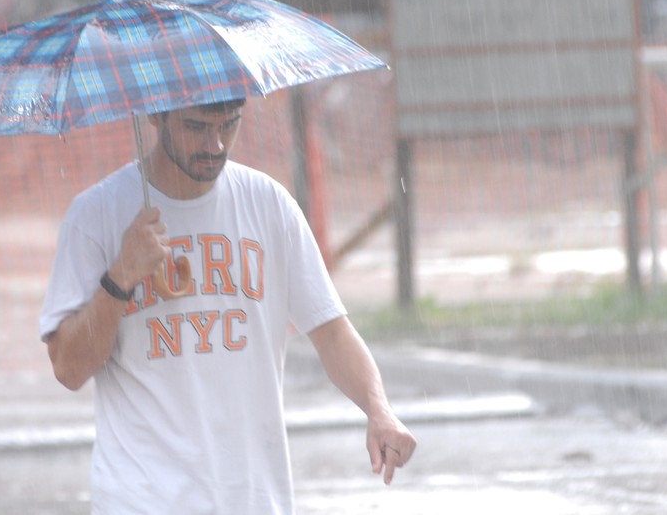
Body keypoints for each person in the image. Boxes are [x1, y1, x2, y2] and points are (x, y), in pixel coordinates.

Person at [39, 98, 416, 514]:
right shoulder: (95, 216)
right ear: (155, 114)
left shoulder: (270, 206)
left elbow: (332, 332)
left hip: (252, 498)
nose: (215, 144)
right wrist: (121, 277)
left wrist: (379, 410)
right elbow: (68, 368)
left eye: (229, 125)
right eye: (197, 127)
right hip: (142, 499)